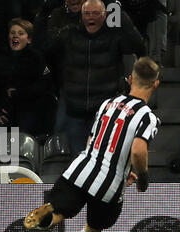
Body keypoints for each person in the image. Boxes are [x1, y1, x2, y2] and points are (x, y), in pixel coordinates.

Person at [24, 56, 161, 232]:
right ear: (155, 84)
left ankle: (49, 213)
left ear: (130, 79)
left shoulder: (108, 104)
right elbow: (137, 151)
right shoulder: (148, 117)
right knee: (92, 229)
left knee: (61, 210)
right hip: (109, 184)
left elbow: (92, 140)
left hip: (80, 170)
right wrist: (142, 178)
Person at [45, 0, 146, 157]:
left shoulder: (115, 36)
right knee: (78, 162)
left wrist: (122, 16)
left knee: (104, 160)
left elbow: (138, 46)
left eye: (95, 13)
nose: (90, 17)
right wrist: (45, 11)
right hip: (75, 112)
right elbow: (42, 46)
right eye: (87, 13)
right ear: (81, 15)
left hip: (104, 113)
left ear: (105, 15)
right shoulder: (69, 34)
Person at [0, 18, 56, 137]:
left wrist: (19, 93)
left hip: (30, 109)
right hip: (5, 110)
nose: (15, 36)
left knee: (22, 136)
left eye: (20, 33)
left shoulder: (37, 58)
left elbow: (45, 85)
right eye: (12, 33)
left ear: (29, 39)